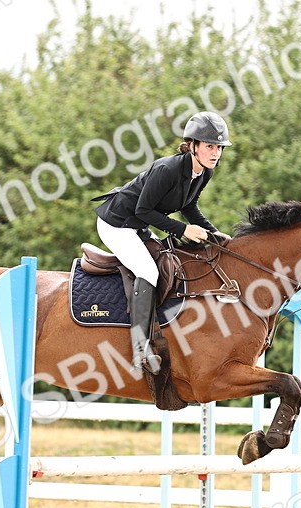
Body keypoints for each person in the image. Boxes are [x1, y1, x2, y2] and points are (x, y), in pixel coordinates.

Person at [91, 111, 231, 374]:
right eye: (210, 146)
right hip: (116, 223)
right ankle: (139, 348)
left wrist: (214, 234)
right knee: (148, 271)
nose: (216, 153)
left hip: (138, 225)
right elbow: (143, 210)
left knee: (170, 263)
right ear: (192, 145)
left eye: (219, 147)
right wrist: (184, 230)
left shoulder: (204, 173)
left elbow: (189, 206)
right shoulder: (167, 169)